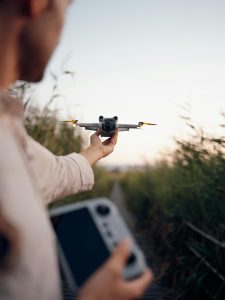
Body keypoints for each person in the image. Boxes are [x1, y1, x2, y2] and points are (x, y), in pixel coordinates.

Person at [0, 1, 153, 299]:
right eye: (66, 8)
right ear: (37, 5)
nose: (61, 30)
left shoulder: (9, 133)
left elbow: (53, 173)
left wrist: (95, 150)